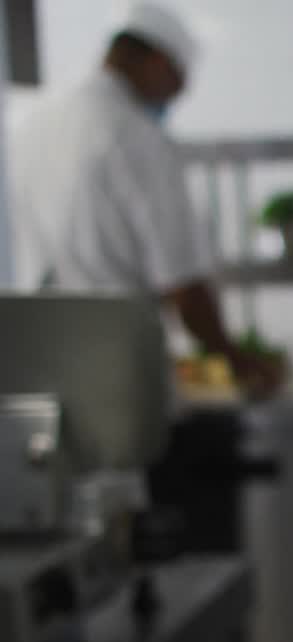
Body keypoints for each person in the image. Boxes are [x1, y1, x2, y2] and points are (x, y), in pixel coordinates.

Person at [9, 3, 278, 390]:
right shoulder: (137, 136)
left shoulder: (34, 121)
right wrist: (235, 358)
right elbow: (183, 285)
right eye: (178, 79)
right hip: (117, 365)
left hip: (36, 359)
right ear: (155, 61)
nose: (179, 94)